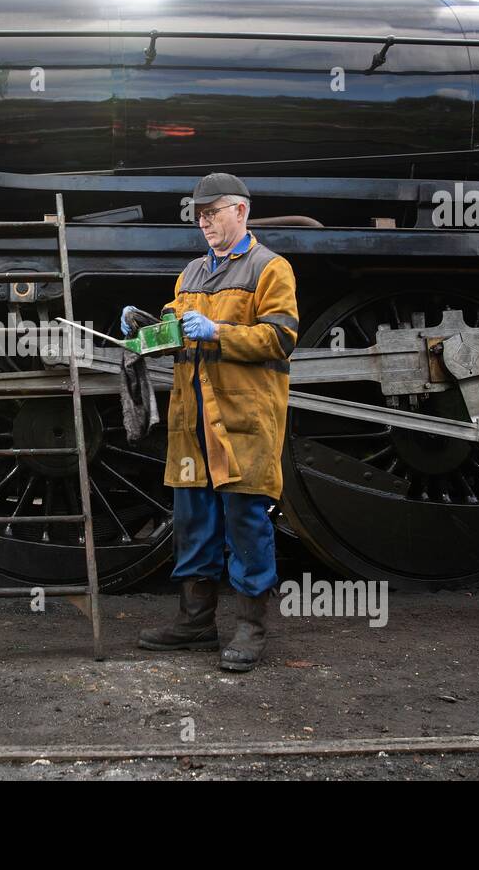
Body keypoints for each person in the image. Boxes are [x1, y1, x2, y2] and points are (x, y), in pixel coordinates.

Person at [121, 173, 298, 672]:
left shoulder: (270, 269)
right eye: (200, 213)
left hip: (242, 420)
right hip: (192, 420)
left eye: (213, 211)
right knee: (194, 519)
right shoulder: (192, 273)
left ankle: (251, 628)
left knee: (245, 521)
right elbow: (174, 332)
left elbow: (281, 338)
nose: (204, 220)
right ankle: (195, 622)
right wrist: (144, 327)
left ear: (240, 211)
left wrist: (218, 331)